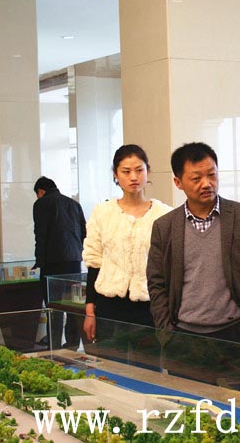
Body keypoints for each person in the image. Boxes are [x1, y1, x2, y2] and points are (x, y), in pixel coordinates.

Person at [147, 142, 240, 395]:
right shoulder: (164, 227)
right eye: (196, 178)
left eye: (212, 175)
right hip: (185, 340)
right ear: (178, 182)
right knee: (192, 412)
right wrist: (167, 333)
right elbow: (156, 283)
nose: (206, 183)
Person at [82, 145, 172, 358]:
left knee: (148, 370)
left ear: (148, 171)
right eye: (126, 171)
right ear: (115, 174)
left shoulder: (164, 215)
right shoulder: (102, 213)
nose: (133, 177)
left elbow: (170, 266)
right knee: (110, 368)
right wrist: (89, 310)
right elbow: (94, 262)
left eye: (139, 170)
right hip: (109, 307)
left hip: (149, 309)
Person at [33, 176, 86, 349]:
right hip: (74, 261)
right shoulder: (74, 204)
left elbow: (40, 234)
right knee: (72, 303)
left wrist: (39, 260)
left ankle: (54, 345)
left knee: (54, 304)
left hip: (52, 262)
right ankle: (72, 344)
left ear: (41, 191)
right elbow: (84, 232)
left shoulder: (41, 204)